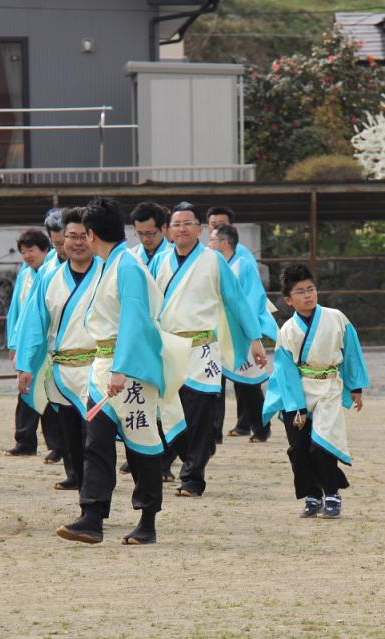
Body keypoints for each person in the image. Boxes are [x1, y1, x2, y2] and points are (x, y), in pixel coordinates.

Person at [54, 197, 189, 545]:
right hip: (104, 367)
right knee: (96, 442)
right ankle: (92, 515)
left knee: (141, 446)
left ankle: (147, 519)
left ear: (92, 234)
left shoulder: (126, 266)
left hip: (129, 370)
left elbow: (134, 319)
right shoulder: (110, 264)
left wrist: (122, 367)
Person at [152, 202, 266, 498]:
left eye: (188, 223)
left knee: (201, 415)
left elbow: (236, 300)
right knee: (169, 411)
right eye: (176, 224)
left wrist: (254, 338)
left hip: (202, 349)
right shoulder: (159, 262)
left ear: (200, 229)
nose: (182, 229)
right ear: (169, 230)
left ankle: (193, 477)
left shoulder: (213, 260)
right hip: (169, 348)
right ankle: (179, 459)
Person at [262, 264, 368, 518]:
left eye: (311, 289)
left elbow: (351, 352)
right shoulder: (287, 330)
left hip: (328, 387)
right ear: (289, 300)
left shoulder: (337, 318)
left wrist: (355, 386)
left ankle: (332, 493)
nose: (308, 295)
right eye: (300, 291)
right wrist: (297, 407)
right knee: (298, 448)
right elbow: (285, 371)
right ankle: (311, 495)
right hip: (296, 390)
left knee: (321, 445)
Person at [15, 208, 103, 491]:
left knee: (95, 432)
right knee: (68, 429)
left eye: (83, 236)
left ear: (93, 238)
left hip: (97, 366)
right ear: (62, 240)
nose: (77, 242)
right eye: (71, 237)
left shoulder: (108, 273)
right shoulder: (49, 277)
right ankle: (75, 474)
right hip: (62, 367)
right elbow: (34, 323)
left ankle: (95, 483)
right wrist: (26, 364)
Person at [208, 223, 279, 443]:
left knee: (248, 383)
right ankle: (213, 433)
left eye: (212, 239)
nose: (208, 244)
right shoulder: (211, 264)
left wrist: (250, 331)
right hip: (217, 332)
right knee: (214, 383)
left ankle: (261, 428)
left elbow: (253, 299)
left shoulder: (244, 265)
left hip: (240, 331)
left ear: (224, 242)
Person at [4, 228, 53, 458]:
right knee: (25, 390)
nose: (27, 256)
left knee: (50, 393)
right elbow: (16, 311)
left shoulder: (53, 272)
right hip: (27, 343)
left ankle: (57, 445)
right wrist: (14, 343)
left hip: (47, 343)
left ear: (45, 249)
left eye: (31, 250)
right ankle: (25, 441)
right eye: (23, 251)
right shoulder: (25, 274)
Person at [130, 201, 172, 267]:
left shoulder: (176, 254)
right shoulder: (131, 255)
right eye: (140, 233)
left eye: (150, 233)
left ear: (163, 227)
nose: (145, 239)